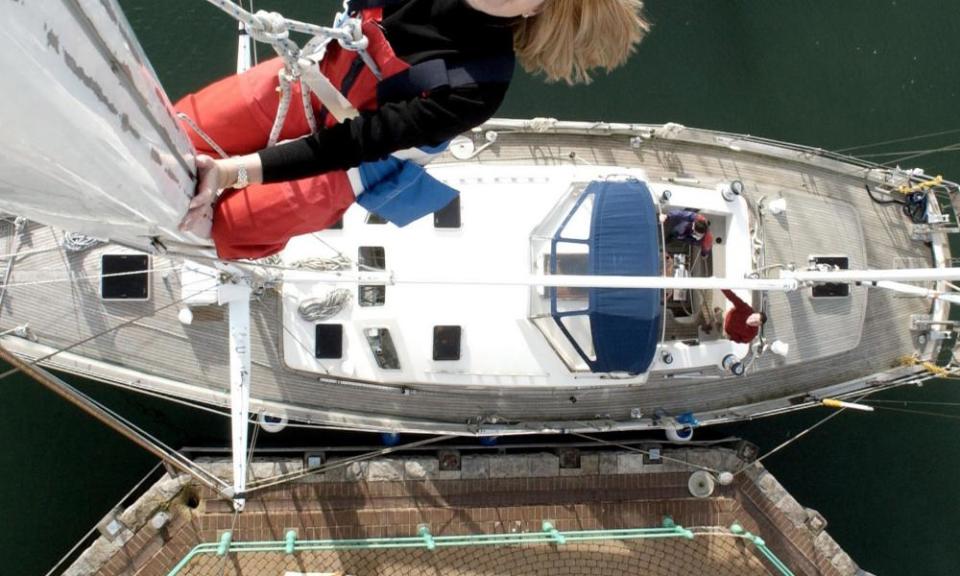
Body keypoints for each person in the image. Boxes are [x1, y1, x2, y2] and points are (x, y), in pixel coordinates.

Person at [177, 0, 651, 259]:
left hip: (352, 155)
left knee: (225, 226)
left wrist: (232, 172)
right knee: (184, 130)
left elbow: (357, 142)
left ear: (537, 10)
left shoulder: (478, 82)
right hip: (307, 83)